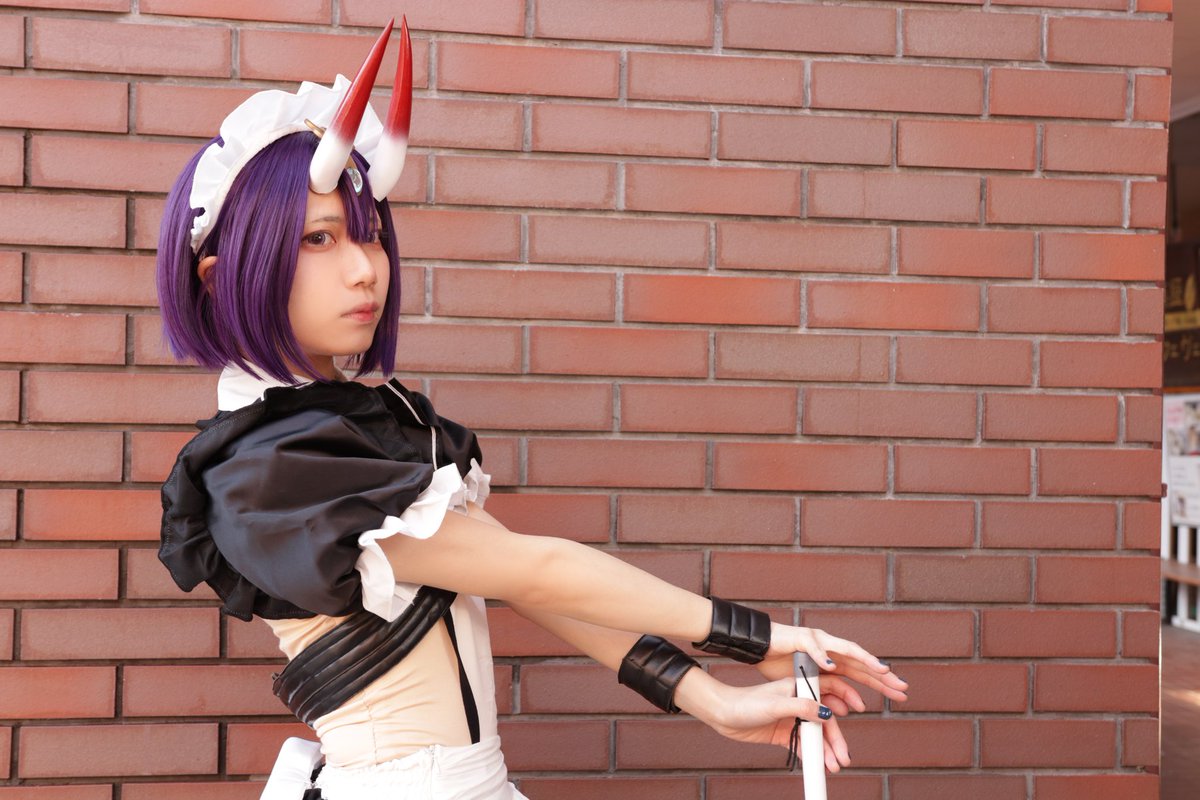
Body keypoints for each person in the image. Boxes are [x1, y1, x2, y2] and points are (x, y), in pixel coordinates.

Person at [155, 19, 908, 800]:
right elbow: (537, 566)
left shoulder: (353, 427)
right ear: (221, 275)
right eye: (319, 239)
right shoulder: (268, 468)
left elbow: (527, 579)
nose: (364, 269)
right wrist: (758, 638)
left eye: (369, 235)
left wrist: (712, 698)